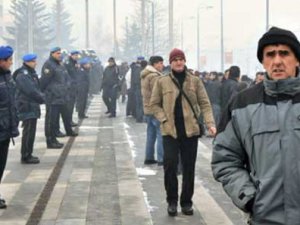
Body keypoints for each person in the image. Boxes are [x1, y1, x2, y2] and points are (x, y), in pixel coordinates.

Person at [211, 27, 300, 225]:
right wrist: (250, 199)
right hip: (265, 218)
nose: (277, 61)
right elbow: (224, 159)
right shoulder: (242, 104)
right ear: (263, 61)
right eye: (270, 54)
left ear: (297, 59)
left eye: (285, 53)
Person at [150, 48, 216, 216]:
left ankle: (186, 202)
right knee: (170, 166)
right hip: (170, 132)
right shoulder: (162, 81)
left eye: (181, 59)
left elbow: (205, 104)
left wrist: (210, 123)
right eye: (175, 59)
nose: (179, 62)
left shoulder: (194, 81)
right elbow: (154, 104)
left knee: (189, 168)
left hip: (190, 132)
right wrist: (163, 119)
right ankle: (171, 201)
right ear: (170, 63)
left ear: (185, 61)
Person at [40, 47, 77, 149]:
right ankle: (50, 140)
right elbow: (44, 81)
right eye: (57, 53)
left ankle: (68, 131)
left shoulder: (60, 64)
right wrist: (46, 93)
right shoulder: (49, 64)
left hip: (62, 95)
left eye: (60, 53)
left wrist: (68, 85)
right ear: (52, 54)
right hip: (53, 97)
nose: (59, 55)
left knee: (67, 115)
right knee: (51, 120)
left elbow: (67, 77)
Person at [14, 53, 44, 164]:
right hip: (27, 106)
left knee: (31, 131)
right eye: (33, 61)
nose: (36, 63)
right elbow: (31, 91)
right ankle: (25, 155)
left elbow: (37, 88)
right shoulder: (23, 75)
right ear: (27, 62)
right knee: (28, 131)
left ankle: (28, 153)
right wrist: (42, 98)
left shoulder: (31, 73)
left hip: (31, 106)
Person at [0, 46, 19, 208]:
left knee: (1, 165)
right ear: (1, 61)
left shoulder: (7, 76)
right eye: (10, 60)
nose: (12, 63)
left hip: (5, 129)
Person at [141, 56, 164, 166]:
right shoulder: (155, 77)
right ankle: (161, 158)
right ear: (154, 64)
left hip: (147, 108)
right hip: (155, 109)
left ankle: (149, 157)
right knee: (161, 133)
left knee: (151, 134)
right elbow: (158, 94)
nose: (161, 65)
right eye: (159, 63)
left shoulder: (145, 75)